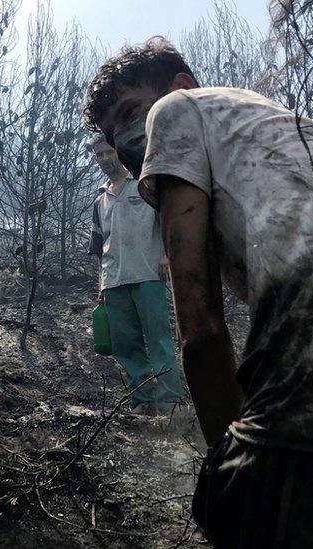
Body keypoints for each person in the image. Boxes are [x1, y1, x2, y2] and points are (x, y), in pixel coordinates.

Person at [83, 37, 313, 548]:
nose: (123, 139)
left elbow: (202, 333)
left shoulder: (176, 111)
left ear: (181, 84)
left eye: (128, 111)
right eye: (110, 131)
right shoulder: (297, 133)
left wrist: (228, 467)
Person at [89, 134, 184, 415]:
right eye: (99, 155)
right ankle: (142, 402)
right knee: (126, 347)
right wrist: (101, 284)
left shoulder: (143, 183)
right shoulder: (100, 198)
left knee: (159, 341)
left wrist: (167, 255)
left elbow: (167, 218)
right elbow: (98, 247)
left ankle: (170, 404)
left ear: (118, 150)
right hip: (114, 280)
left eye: (109, 152)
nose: (105, 159)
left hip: (147, 274)